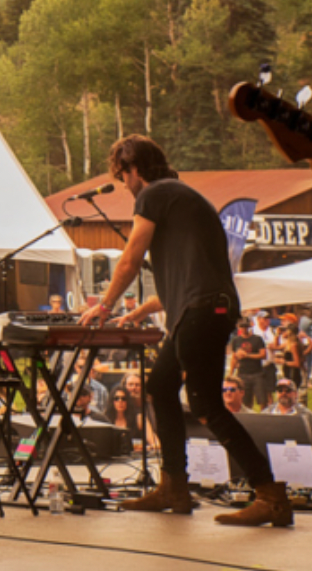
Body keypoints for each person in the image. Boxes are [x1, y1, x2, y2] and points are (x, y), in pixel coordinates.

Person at [80, 134, 291, 527]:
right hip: (204, 309)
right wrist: (142, 309)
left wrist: (104, 306)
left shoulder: (154, 194)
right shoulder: (182, 198)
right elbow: (189, 279)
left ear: (134, 169)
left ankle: (270, 495)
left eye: (122, 176)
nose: (124, 185)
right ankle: (174, 485)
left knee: (207, 403)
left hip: (201, 312)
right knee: (161, 386)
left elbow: (130, 259)